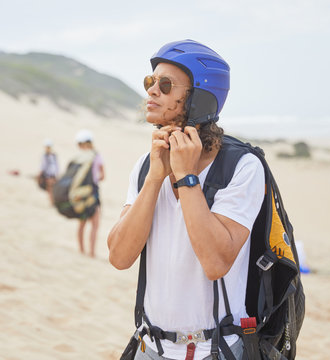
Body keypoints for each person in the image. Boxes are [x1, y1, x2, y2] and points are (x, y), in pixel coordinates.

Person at [107, 40, 265, 360]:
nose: (152, 91)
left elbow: (215, 262)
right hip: (149, 345)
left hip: (213, 349)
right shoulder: (145, 166)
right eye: (151, 82)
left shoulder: (242, 167)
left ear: (199, 98)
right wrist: (155, 178)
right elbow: (120, 256)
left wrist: (187, 178)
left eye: (165, 85)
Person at [76, 129, 104, 258]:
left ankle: (81, 250)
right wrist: (93, 181)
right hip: (93, 192)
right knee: (95, 224)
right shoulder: (97, 156)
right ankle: (92, 253)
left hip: (81, 193)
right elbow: (102, 175)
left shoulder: (79, 157)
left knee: (82, 223)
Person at [38, 138, 59, 205]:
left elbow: (55, 166)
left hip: (51, 175)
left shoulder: (52, 155)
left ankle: (52, 202)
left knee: (51, 189)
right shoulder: (47, 156)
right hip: (48, 174)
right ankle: (52, 202)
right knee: (50, 189)